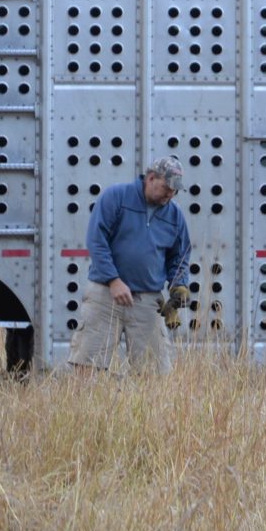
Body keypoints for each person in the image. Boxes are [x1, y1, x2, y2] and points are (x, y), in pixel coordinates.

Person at [70, 157, 191, 375]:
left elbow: (179, 256)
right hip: (105, 295)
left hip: (147, 300)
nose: (170, 194)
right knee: (86, 367)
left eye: (175, 191)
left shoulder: (175, 215)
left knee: (155, 374)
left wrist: (178, 286)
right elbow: (97, 241)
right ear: (151, 178)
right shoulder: (116, 197)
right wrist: (113, 280)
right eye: (166, 188)